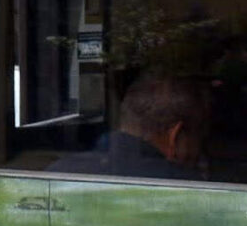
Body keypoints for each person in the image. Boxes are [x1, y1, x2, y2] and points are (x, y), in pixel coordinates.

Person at [47, 74, 209, 180]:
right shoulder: (191, 187)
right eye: (198, 140)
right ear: (175, 135)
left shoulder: (58, 171)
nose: (199, 153)